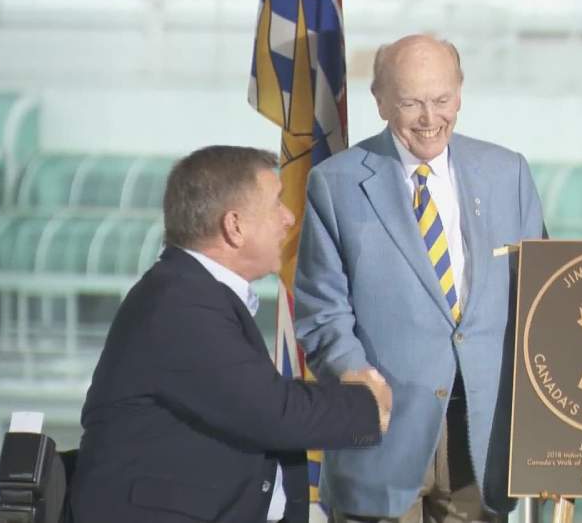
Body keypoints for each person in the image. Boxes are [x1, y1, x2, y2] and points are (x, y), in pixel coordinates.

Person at [294, 34, 545, 522]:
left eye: (442, 100)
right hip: (382, 436)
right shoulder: (336, 184)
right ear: (381, 101)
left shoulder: (508, 173)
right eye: (411, 103)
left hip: (481, 439)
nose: (431, 119)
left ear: (460, 93)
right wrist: (356, 376)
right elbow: (322, 308)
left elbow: (538, 299)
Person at [70, 146, 392, 523]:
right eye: (276, 204)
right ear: (234, 226)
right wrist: (368, 403)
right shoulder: (179, 303)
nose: (289, 219)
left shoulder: (192, 294)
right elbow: (272, 412)